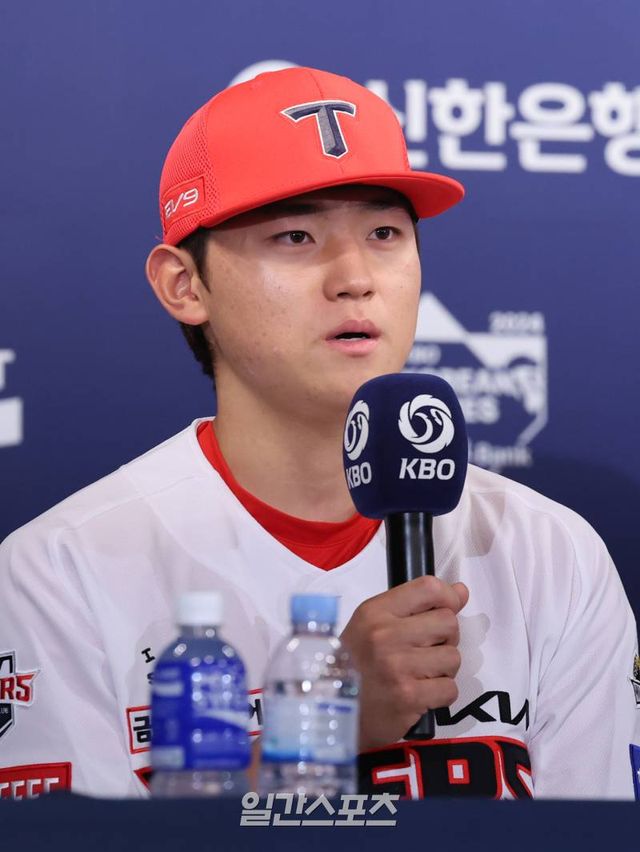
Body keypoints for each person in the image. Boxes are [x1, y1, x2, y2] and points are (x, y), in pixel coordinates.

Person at [0, 67, 637, 801]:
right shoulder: (62, 567)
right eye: (296, 236)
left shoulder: (550, 552)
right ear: (184, 284)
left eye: (384, 233)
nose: (356, 277)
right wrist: (324, 724)